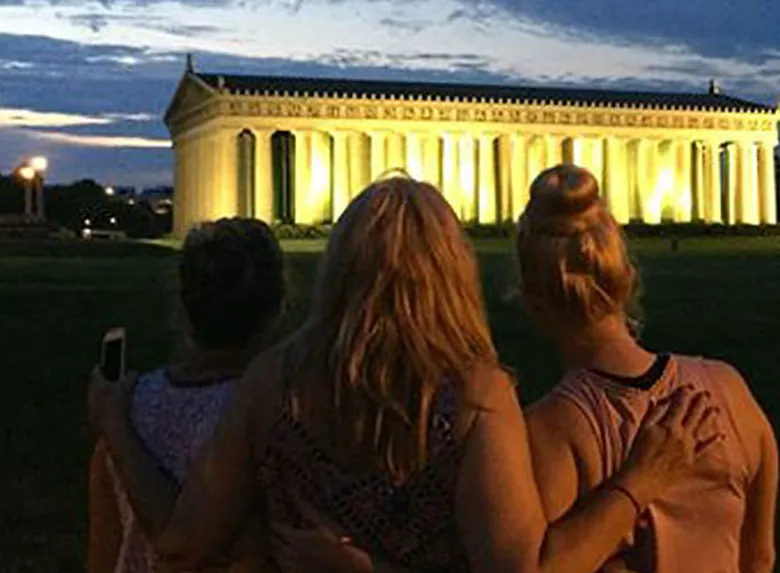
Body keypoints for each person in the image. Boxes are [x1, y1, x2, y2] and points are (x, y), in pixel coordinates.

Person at [88, 176, 723, 573]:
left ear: (339, 268)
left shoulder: (273, 380)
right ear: (453, 270)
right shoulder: (477, 396)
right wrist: (638, 484)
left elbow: (183, 542)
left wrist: (117, 424)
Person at [519, 165, 779, 573]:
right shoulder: (730, 390)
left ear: (533, 301)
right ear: (627, 277)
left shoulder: (549, 428)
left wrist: (635, 487)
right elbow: (759, 557)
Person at [87, 217, 287, 573]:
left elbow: (104, 551)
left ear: (184, 302)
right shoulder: (280, 413)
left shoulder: (124, 406)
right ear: (278, 304)